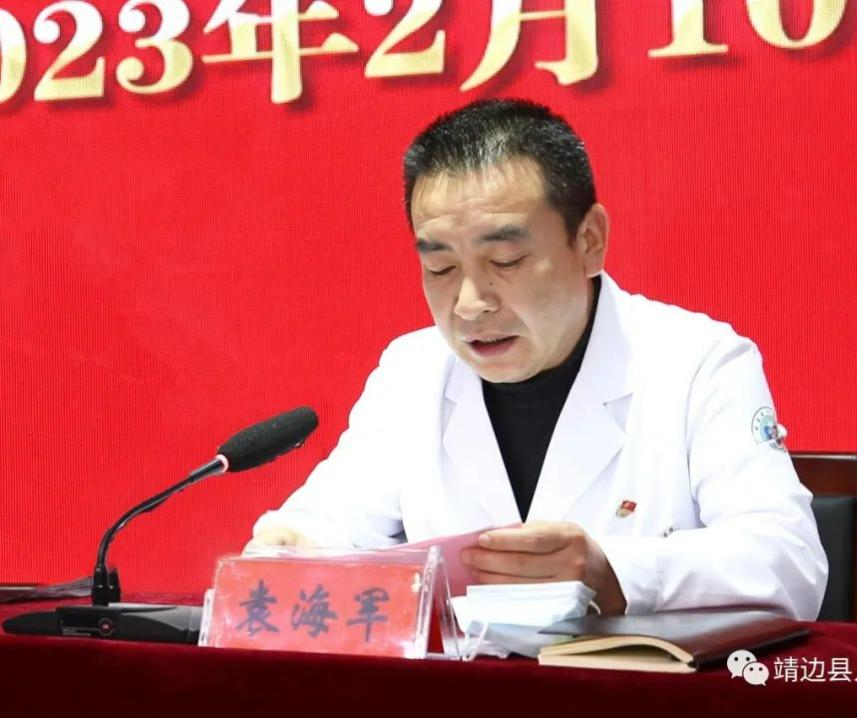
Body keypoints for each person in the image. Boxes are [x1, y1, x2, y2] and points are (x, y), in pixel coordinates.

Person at [250, 99, 827, 619]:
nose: (470, 304)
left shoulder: (697, 361)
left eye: (506, 261)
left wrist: (615, 572)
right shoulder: (411, 371)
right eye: (440, 268)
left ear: (589, 240)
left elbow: (789, 559)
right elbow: (330, 524)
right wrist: (295, 549)